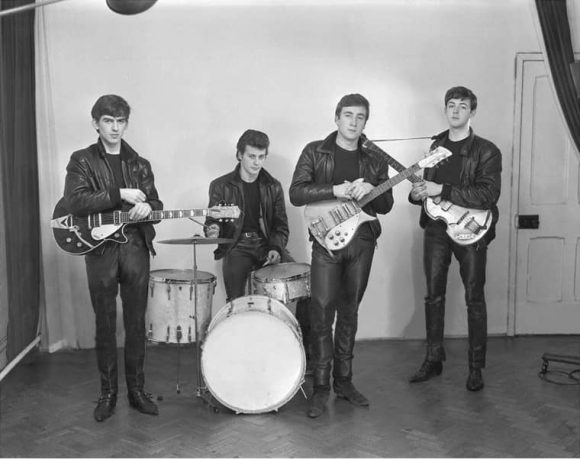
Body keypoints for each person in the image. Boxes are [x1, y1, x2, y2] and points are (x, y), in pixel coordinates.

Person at [289, 94, 394, 418]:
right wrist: (334, 190)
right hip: (326, 242)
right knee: (321, 311)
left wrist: (370, 193)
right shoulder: (315, 151)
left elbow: (386, 205)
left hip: (362, 242)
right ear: (336, 118)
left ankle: (344, 382)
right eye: (348, 115)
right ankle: (320, 387)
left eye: (360, 117)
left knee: (350, 311)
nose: (353, 122)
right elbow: (296, 193)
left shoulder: (375, 158)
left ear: (365, 122)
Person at [64, 94, 163, 422]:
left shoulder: (140, 164)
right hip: (100, 252)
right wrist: (118, 194)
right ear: (96, 123)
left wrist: (150, 207)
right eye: (108, 121)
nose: (115, 127)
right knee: (105, 324)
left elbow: (158, 208)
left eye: (120, 121)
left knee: (136, 324)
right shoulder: (82, 160)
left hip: (135, 248)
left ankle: (137, 391)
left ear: (126, 124)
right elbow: (75, 203)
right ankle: (108, 394)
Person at [408, 86, 502, 391]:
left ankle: (476, 368)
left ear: (472, 112)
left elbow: (488, 195)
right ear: (445, 109)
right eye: (451, 105)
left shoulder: (487, 151)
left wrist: (442, 190)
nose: (456, 110)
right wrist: (418, 192)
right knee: (433, 295)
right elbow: (426, 192)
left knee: (474, 298)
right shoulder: (435, 147)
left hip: (472, 229)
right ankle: (433, 360)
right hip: (436, 228)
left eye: (463, 106)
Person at [204, 129, 310, 354]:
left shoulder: (273, 186)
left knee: (304, 287)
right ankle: (238, 350)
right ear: (239, 155)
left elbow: (281, 226)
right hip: (237, 246)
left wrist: (275, 248)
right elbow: (212, 221)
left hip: (266, 246)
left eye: (261, 157)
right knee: (236, 301)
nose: (257, 162)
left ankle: (297, 352)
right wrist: (212, 229)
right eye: (252, 156)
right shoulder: (221, 185)